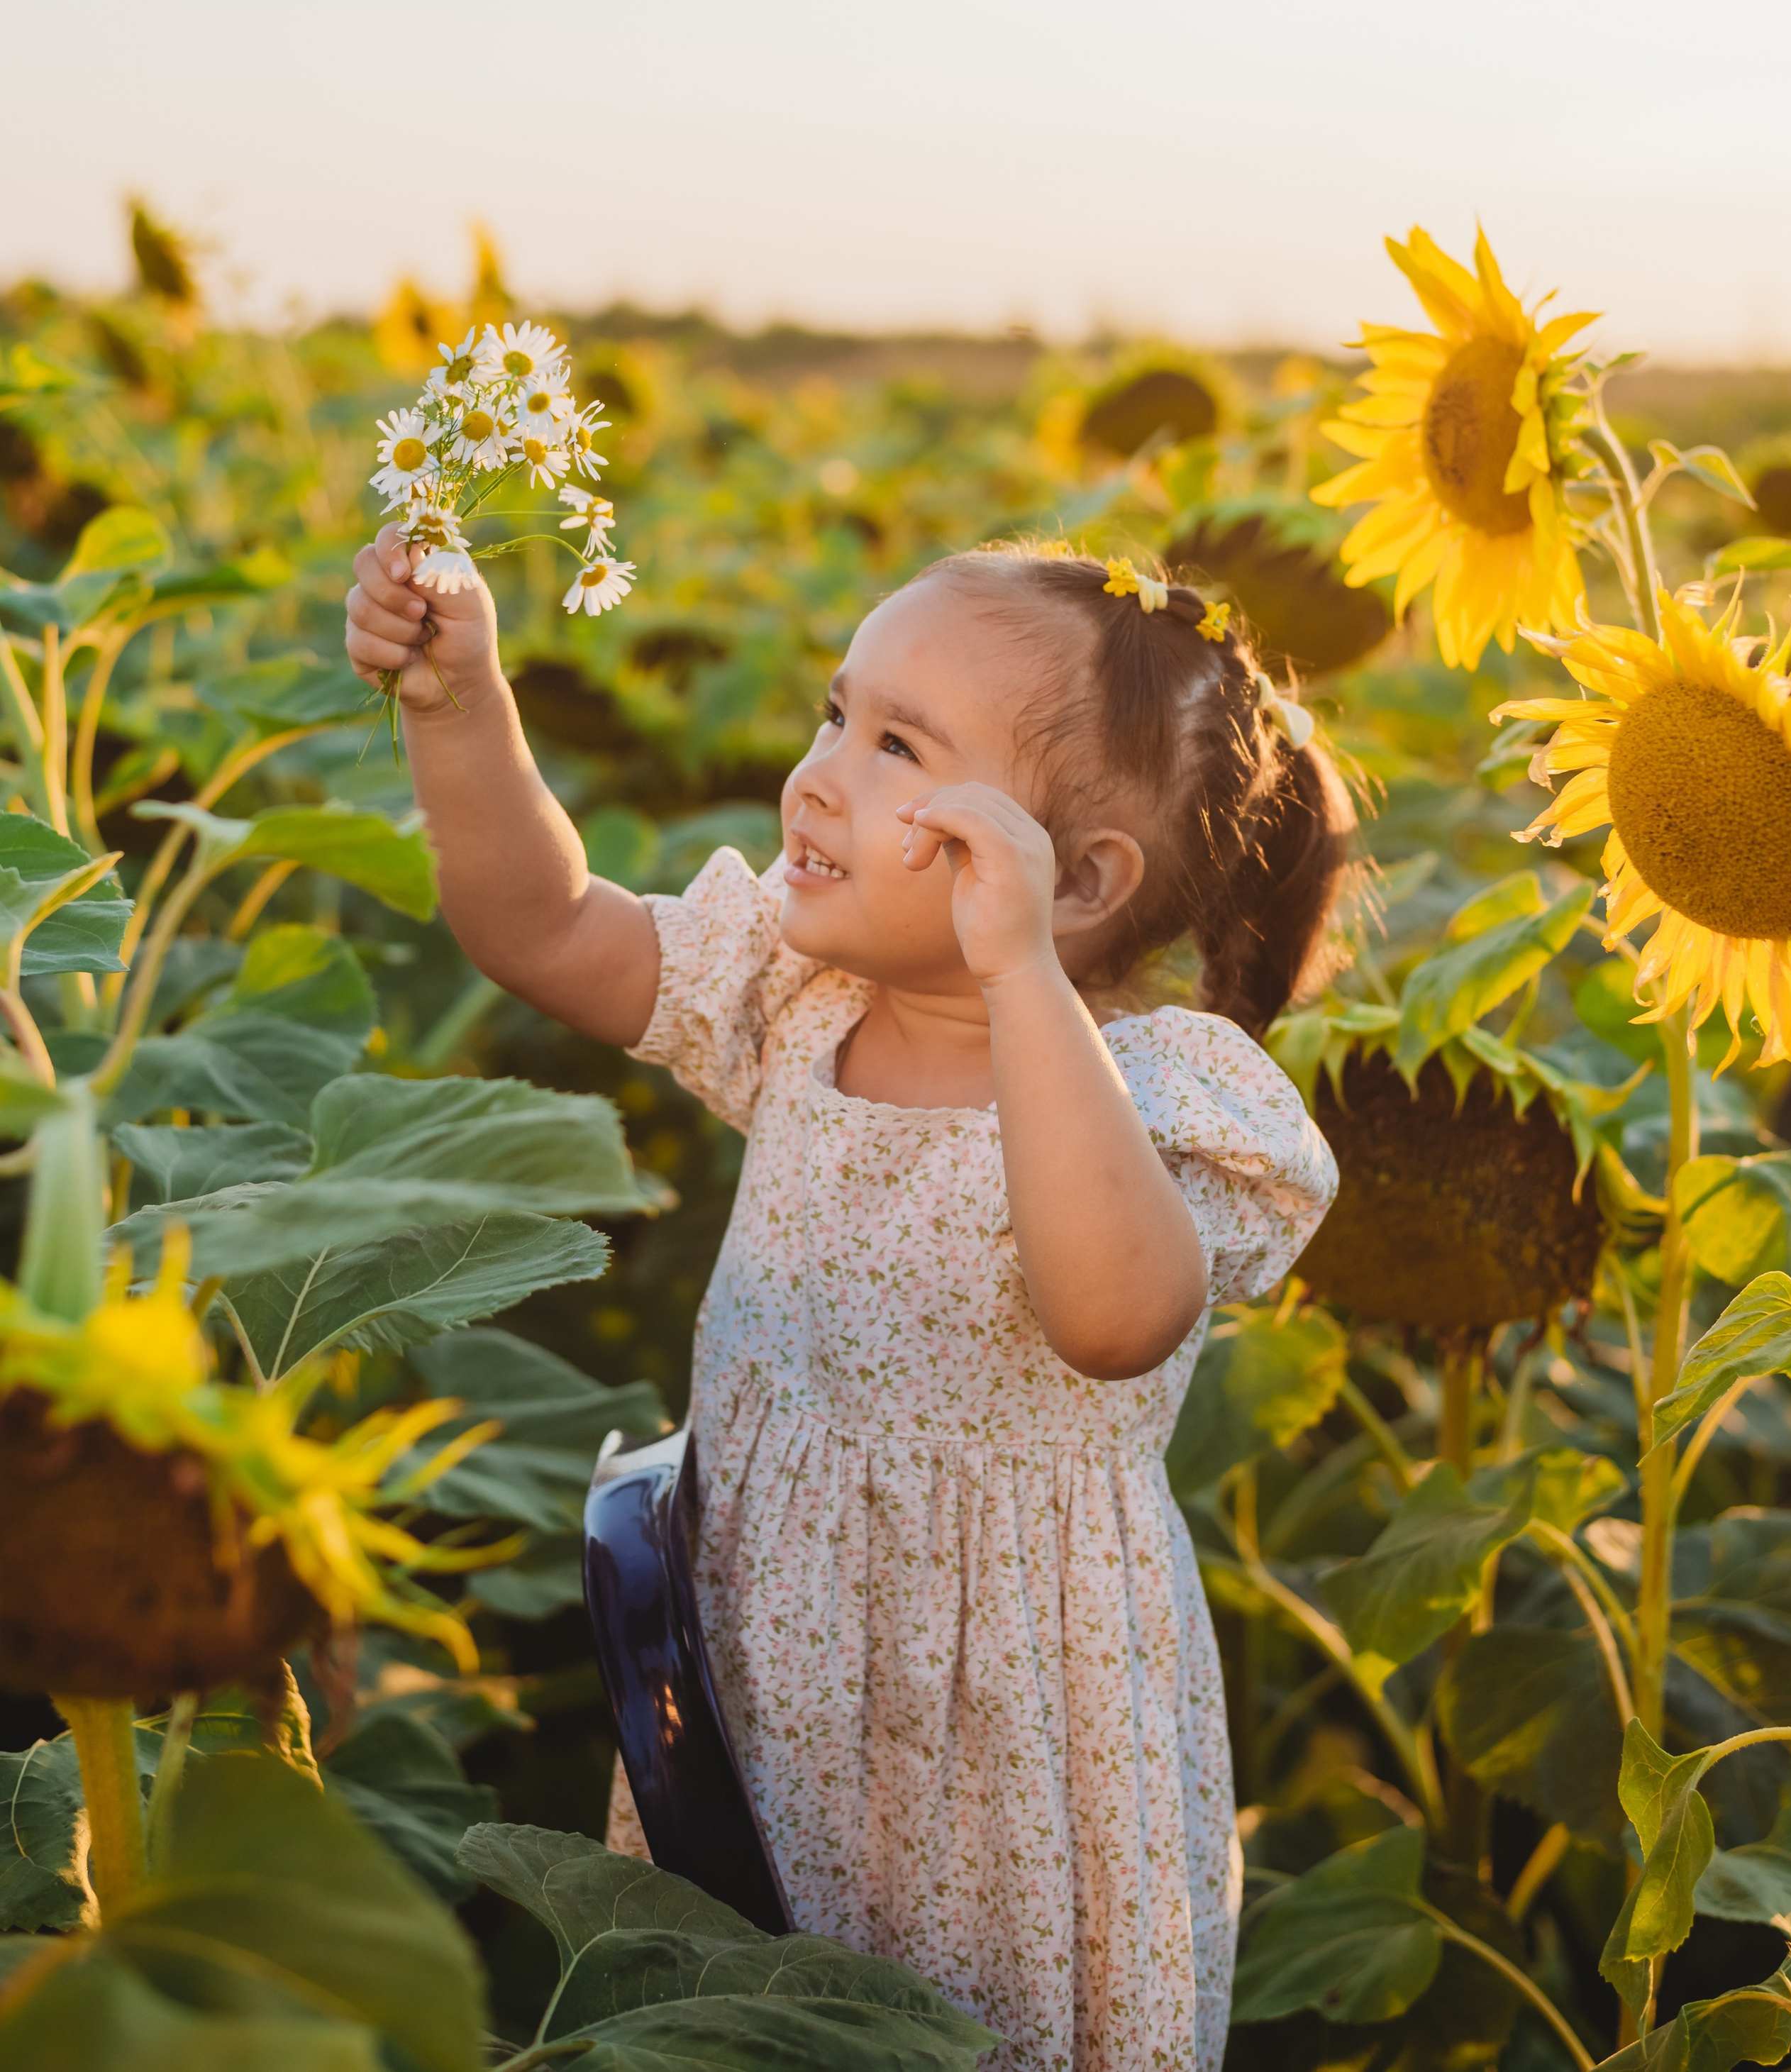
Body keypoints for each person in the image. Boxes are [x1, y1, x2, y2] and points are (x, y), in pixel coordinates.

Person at [345, 528, 1346, 2071]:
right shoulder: (798, 1004)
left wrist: (1016, 981)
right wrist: (460, 696)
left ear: (1074, 881)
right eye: (833, 710)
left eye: (897, 748)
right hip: (762, 1692)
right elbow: (542, 926)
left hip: (1009, 1755)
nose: (818, 774)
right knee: (744, 2020)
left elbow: (1114, 1316)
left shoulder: (1150, 1095)